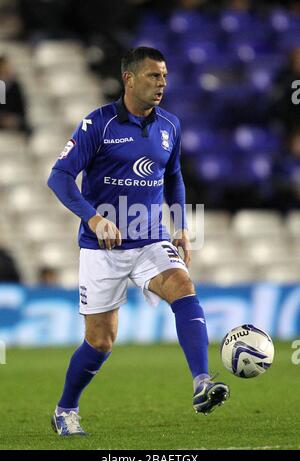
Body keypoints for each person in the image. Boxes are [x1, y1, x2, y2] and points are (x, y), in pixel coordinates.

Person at [47, 47, 229, 436]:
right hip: (104, 247)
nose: (162, 83)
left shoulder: (170, 126)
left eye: (164, 76)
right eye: (153, 76)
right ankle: (65, 409)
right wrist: (94, 218)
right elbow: (59, 177)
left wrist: (181, 226)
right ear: (129, 79)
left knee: (183, 287)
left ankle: (201, 382)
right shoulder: (97, 124)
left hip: (150, 237)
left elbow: (174, 177)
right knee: (100, 342)